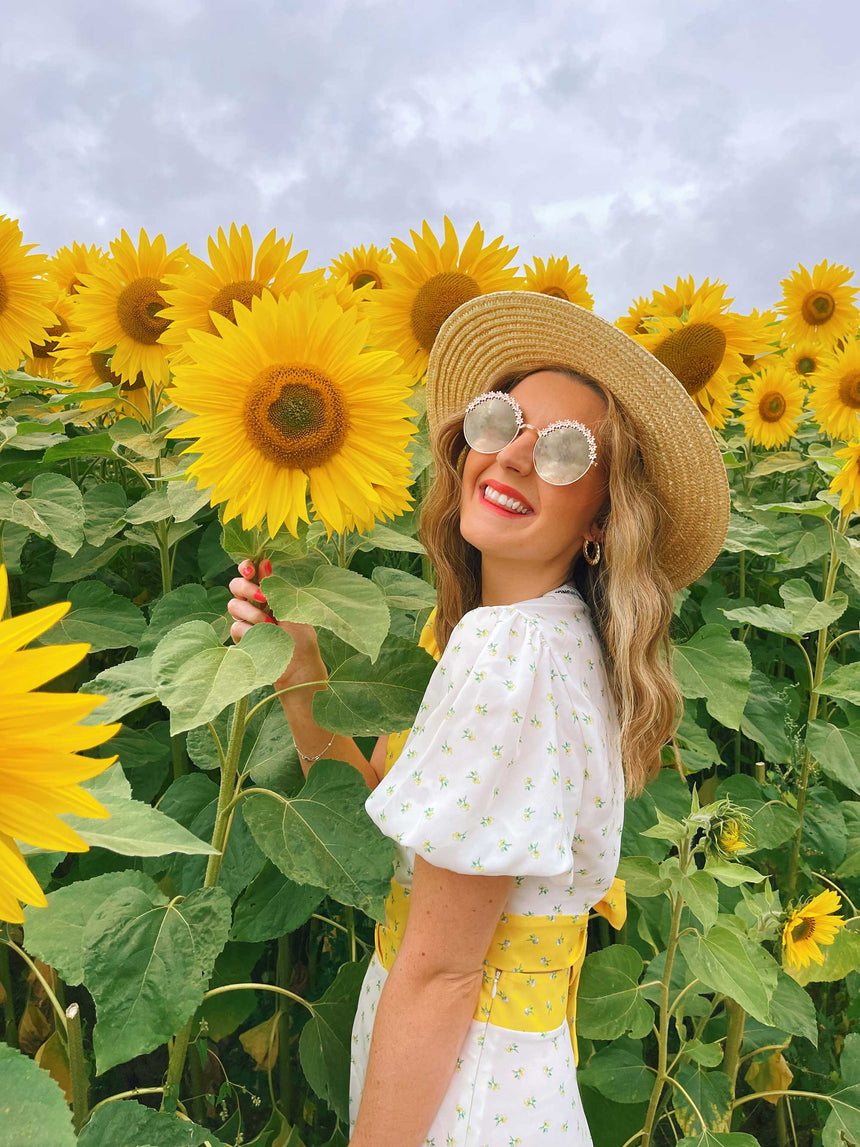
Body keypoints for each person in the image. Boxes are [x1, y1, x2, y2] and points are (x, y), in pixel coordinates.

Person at [227, 291, 730, 1146]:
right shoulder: (541, 637)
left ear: (604, 516)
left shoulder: (511, 654)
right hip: (485, 1073)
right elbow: (387, 837)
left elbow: (443, 974)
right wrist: (302, 665)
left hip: (460, 1088)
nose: (517, 456)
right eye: (503, 421)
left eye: (567, 451)